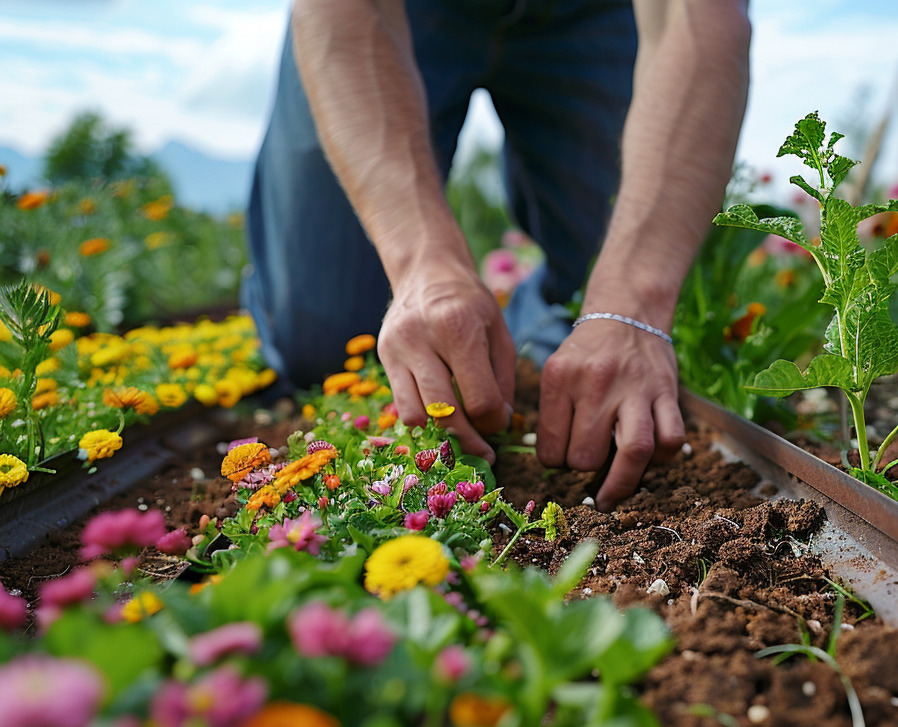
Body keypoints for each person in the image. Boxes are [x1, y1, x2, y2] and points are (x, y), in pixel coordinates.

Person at [243, 0, 751, 509]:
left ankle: (530, 335)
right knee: (327, 343)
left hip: (600, 14)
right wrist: (426, 271)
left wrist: (631, 307)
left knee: (616, 303)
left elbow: (699, 18)